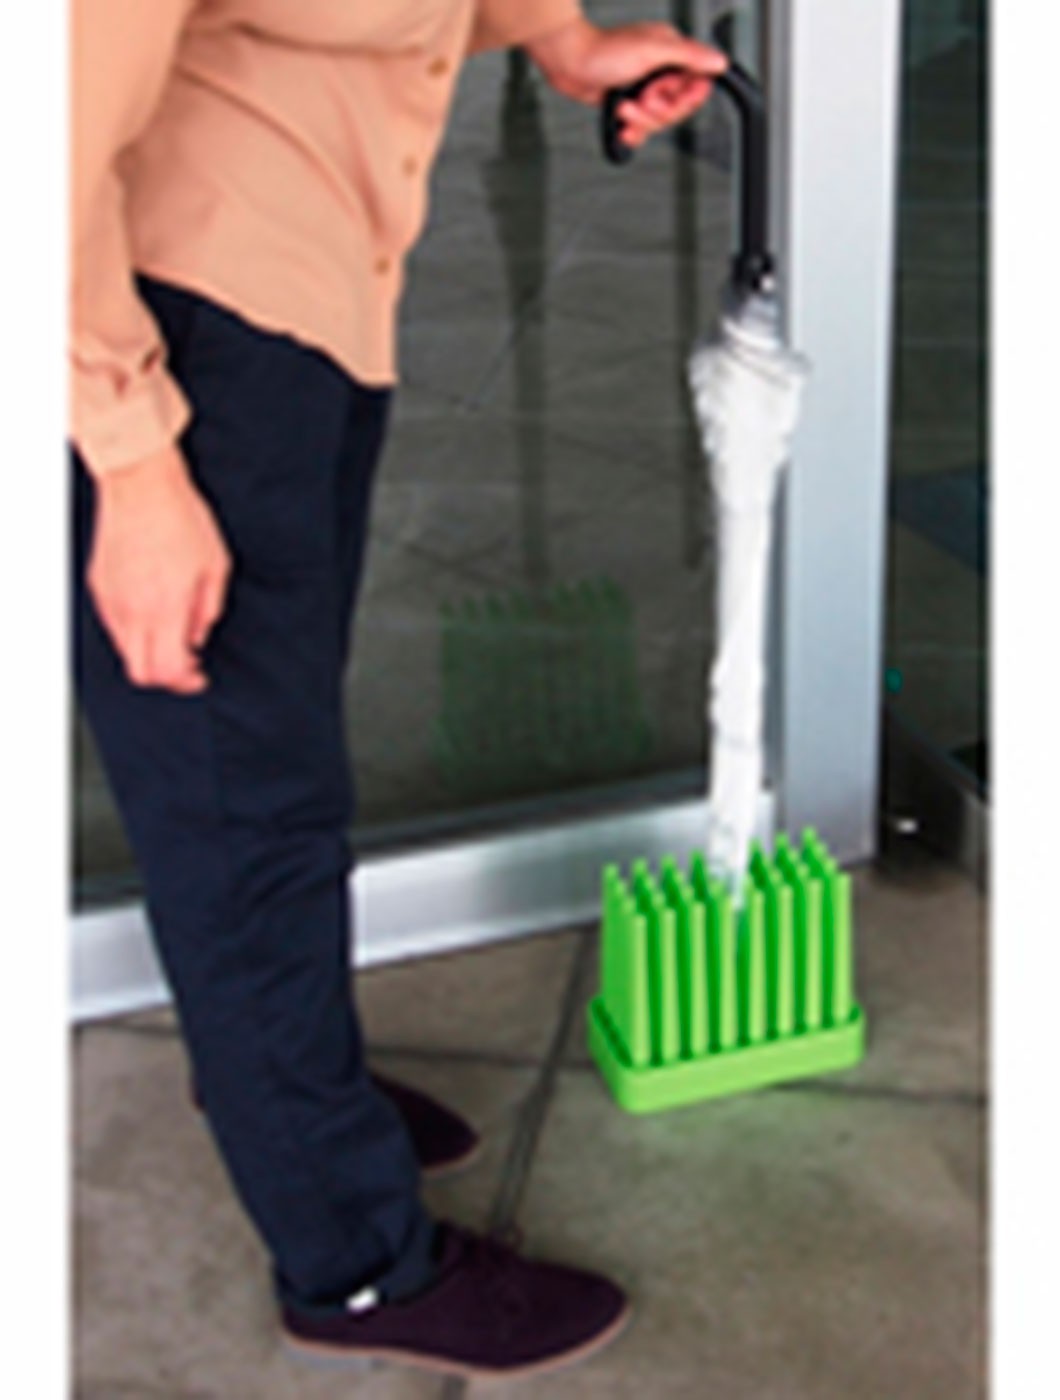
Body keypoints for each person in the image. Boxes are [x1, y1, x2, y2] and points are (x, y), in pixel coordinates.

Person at [70, 0, 727, 1380]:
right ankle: (352, 1261)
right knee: (246, 815)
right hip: (168, 358)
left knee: (269, 777)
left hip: (299, 327)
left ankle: (283, 1088)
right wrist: (133, 469)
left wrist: (558, 40)